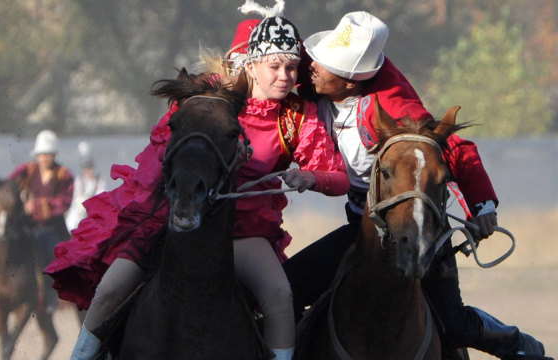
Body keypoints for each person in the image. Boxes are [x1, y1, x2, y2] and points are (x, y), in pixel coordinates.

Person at [45, 7, 348, 360]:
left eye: (291, 67)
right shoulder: (212, 100)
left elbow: (339, 177)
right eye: (275, 66)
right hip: (174, 220)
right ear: (251, 66)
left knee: (280, 295)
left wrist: (311, 176)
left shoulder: (297, 115)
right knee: (110, 291)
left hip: (244, 233)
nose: (285, 76)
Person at [283, 11, 552, 360]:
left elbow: (453, 148)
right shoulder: (313, 75)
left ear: (351, 81)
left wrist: (483, 205)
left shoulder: (391, 103)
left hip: (418, 224)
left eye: (326, 63)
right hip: (363, 229)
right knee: (285, 290)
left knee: (453, 324)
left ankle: (514, 344)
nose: (312, 65)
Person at [7, 129, 74, 313]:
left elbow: (64, 202)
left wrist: (36, 206)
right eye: (42, 154)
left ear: (54, 155)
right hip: (25, 226)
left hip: (51, 228)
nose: (45, 158)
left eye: (49, 154)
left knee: (48, 252)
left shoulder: (63, 174)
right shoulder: (26, 170)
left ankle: (50, 296)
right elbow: (9, 186)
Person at [65, 141, 106, 232]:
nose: (88, 171)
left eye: (89, 169)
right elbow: (76, 196)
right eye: (86, 169)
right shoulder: (79, 179)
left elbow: (101, 193)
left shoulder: (99, 179)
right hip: (80, 208)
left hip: (94, 206)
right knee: (72, 221)